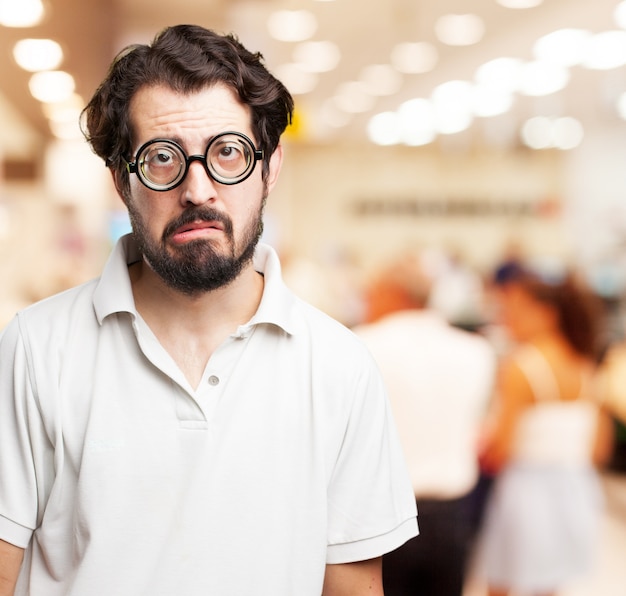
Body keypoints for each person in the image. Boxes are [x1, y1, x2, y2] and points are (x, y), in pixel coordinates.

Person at [0, 25, 417, 596]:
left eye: (228, 152)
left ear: (268, 170)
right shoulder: (35, 347)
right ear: (123, 181)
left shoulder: (340, 367)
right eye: (163, 158)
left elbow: (351, 584)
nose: (198, 189)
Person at [353, 253, 496, 596]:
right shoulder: (476, 350)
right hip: (452, 514)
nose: (366, 303)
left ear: (394, 294)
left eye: (371, 294)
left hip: (380, 517)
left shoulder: (360, 344)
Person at [476, 266, 614, 596]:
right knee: (549, 584)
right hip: (577, 488)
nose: (506, 318)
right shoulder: (584, 363)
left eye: (513, 310)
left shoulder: (522, 366)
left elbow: (502, 447)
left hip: (526, 491)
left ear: (546, 313)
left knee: (502, 582)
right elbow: (599, 448)